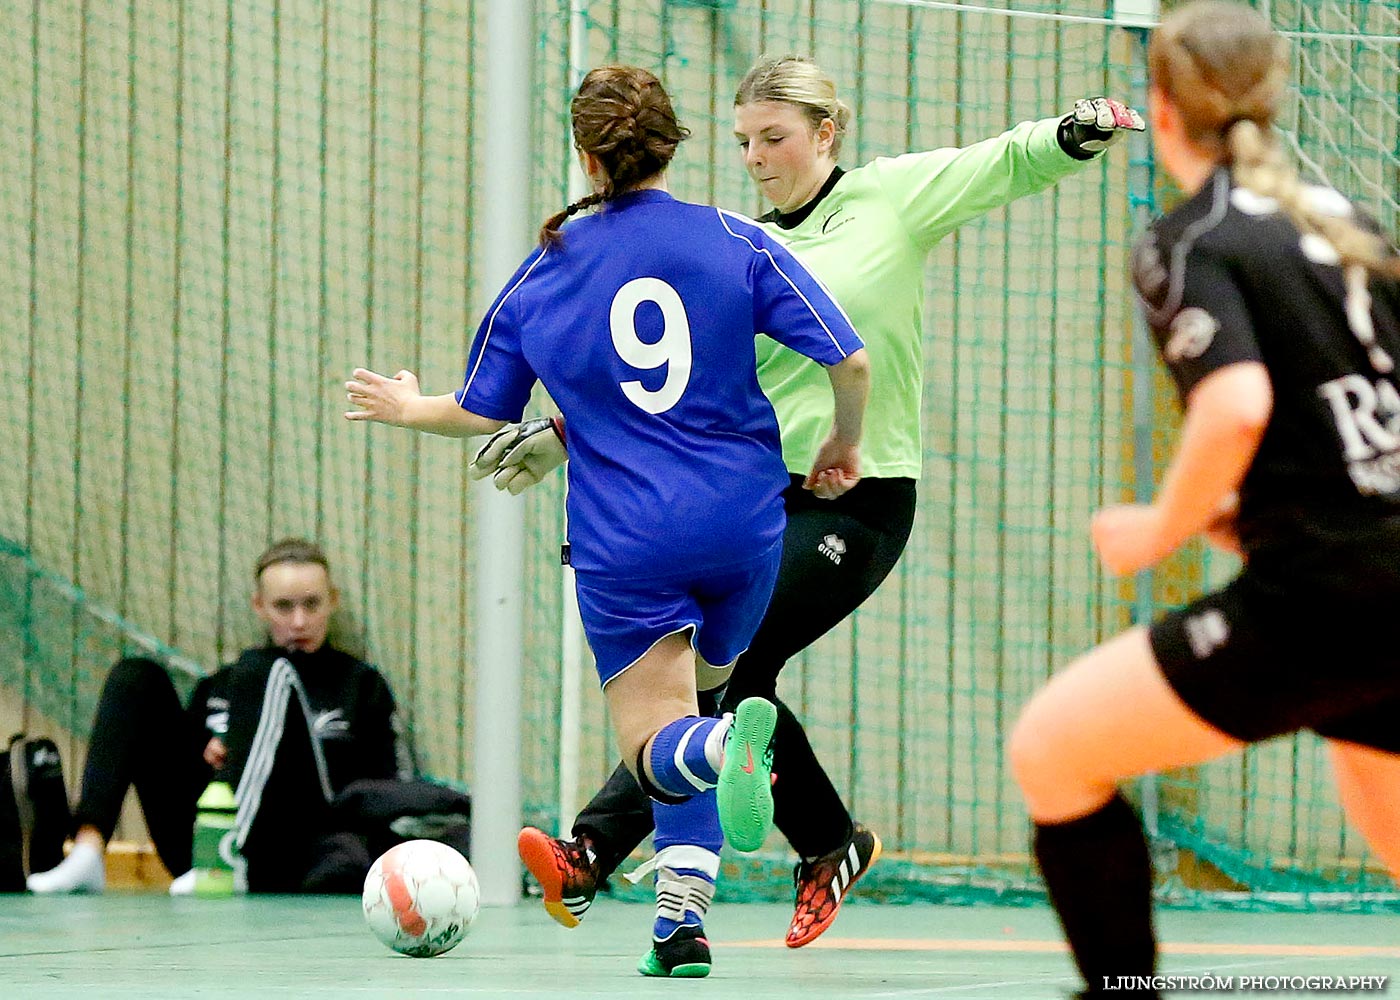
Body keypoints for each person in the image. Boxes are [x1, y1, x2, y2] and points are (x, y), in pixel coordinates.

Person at [474, 55, 1144, 946]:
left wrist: (1072, 134)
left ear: (826, 134)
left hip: (860, 497)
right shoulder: (747, 244)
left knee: (733, 671)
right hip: (758, 500)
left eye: (774, 138)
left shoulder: (888, 200)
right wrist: (563, 438)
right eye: (743, 141)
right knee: (723, 678)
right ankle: (824, 844)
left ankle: (596, 852)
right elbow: (691, 380)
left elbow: (999, 162)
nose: (754, 157)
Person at [345, 66, 869, 977]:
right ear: (674, 145)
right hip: (745, 524)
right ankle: (680, 927)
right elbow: (849, 361)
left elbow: (481, 409)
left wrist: (407, 405)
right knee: (703, 694)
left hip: (629, 542)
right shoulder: (735, 239)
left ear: (587, 155)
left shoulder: (547, 270)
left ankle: (717, 746)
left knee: (663, 739)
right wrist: (841, 448)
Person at [1006, 3, 1400, 996]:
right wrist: (1272, 504)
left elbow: (1233, 405)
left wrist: (1159, 527)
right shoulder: (1345, 222)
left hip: (1328, 597)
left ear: (1159, 109)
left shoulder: (1188, 240)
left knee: (1050, 750)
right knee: (1370, 771)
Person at [27, 538, 413, 895]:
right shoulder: (223, 684)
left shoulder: (361, 685)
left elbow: (390, 793)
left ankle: (228, 856)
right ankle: (88, 852)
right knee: (136, 678)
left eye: (311, 605)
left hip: (300, 848)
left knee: (266, 670)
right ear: (259, 606)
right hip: (197, 842)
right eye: (283, 606)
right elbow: (184, 767)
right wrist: (208, 751)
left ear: (332, 601)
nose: (298, 622)